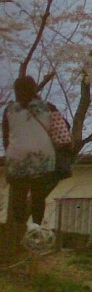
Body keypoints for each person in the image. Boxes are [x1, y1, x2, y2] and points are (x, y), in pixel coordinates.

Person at [2, 75, 72, 236]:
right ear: (34, 88)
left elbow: (6, 136)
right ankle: (35, 230)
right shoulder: (48, 107)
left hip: (16, 159)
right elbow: (62, 137)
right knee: (38, 197)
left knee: (18, 196)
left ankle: (17, 230)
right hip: (42, 159)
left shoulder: (9, 110)